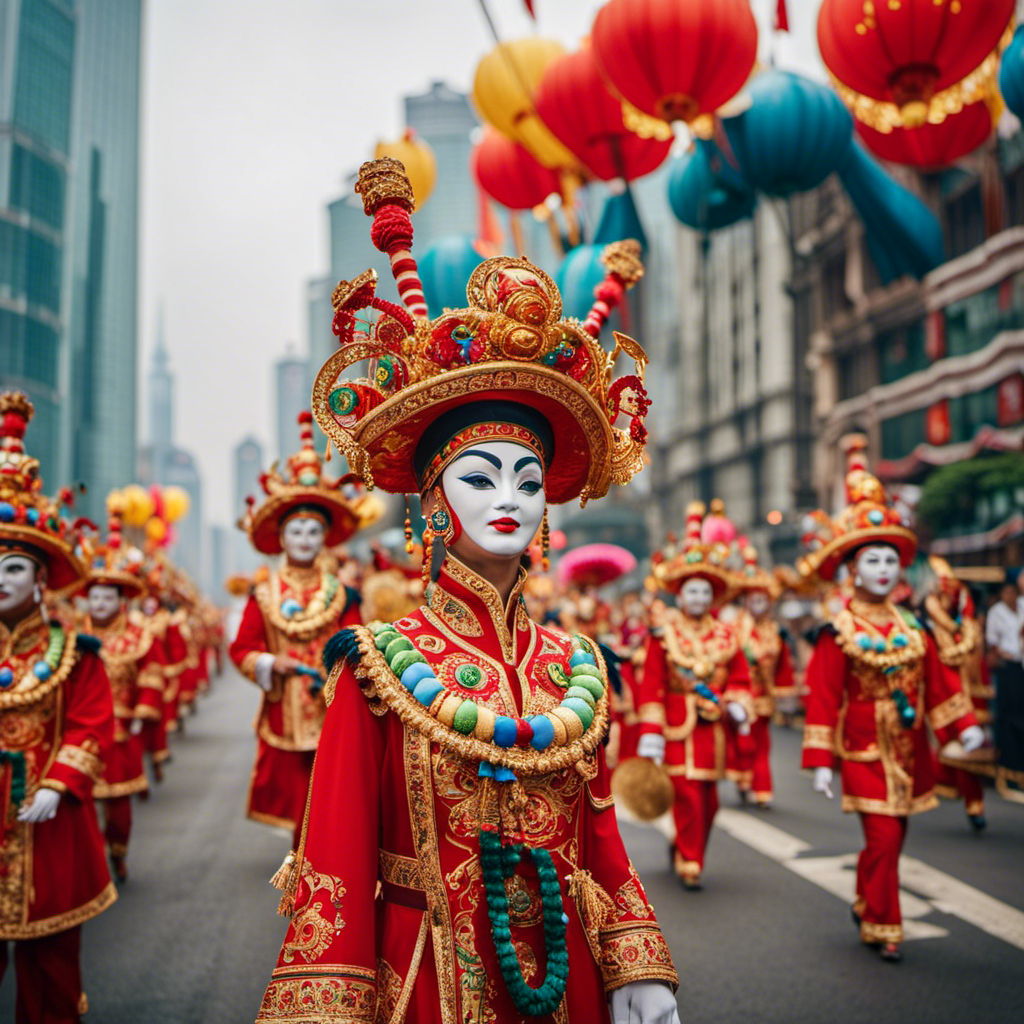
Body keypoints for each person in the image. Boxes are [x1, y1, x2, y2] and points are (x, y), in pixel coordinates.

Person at [255, 158, 678, 1024]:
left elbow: (601, 834)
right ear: (432, 501)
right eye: (480, 478)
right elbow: (334, 854)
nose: (510, 500)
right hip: (431, 983)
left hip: (570, 983)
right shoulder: (378, 666)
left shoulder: (577, 665)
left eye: (528, 480)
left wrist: (637, 961)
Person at [799, 435, 983, 963]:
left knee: (893, 838)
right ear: (853, 569)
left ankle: (866, 894)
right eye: (872, 560)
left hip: (908, 749)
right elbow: (824, 696)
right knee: (882, 837)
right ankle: (884, 924)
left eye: (889, 560)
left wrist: (962, 725)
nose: (883, 569)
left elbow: (941, 681)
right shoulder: (838, 630)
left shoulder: (912, 624)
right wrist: (820, 761)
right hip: (861, 748)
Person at [0, 391, 117, 1022]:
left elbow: (93, 722)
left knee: (49, 972)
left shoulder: (76, 653)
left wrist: (60, 780)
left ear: (41, 581)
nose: (1, 581)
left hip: (47, 824)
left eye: (13, 568)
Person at [230, 411, 365, 847]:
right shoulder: (264, 593)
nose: (305, 539)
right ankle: (302, 862)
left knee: (333, 797)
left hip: (332, 706)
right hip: (284, 708)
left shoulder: (343, 594)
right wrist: (272, 661)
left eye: (313, 531)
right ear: (282, 538)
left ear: (325, 538)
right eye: (296, 531)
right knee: (296, 804)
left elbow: (357, 647)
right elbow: (242, 647)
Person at [635, 502, 752, 889]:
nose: (699, 597)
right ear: (680, 594)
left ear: (713, 595)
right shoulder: (663, 634)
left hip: (712, 728)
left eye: (705, 591)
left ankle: (686, 846)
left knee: (709, 801)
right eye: (692, 590)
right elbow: (650, 683)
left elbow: (740, 677)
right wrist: (650, 732)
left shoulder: (726, 634)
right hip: (674, 727)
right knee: (684, 794)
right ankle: (690, 859)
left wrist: (736, 703)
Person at [78, 515, 165, 881]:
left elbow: (152, 675)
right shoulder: (71, 636)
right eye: (93, 597)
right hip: (79, 731)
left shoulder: (139, 635)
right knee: (77, 803)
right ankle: (88, 863)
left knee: (118, 806)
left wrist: (141, 713)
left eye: (106, 597)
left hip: (120, 731)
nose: (99, 604)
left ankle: (118, 854)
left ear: (120, 600)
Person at [922, 557, 993, 830]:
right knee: (954, 750)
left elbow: (971, 647)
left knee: (969, 752)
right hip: (943, 696)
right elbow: (945, 660)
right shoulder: (931, 629)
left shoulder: (967, 621)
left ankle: (975, 803)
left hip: (971, 694)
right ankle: (969, 801)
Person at [727, 545, 795, 808]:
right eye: (753, 600)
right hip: (740, 695)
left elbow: (783, 666)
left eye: (762, 601)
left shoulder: (774, 631)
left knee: (762, 744)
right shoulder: (735, 630)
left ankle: (762, 787)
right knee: (742, 743)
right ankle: (743, 780)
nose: (758, 605)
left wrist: (784, 691)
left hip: (763, 696)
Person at [987, 578, 1024, 804]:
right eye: (1006, 593)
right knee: (1009, 717)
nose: (1010, 596)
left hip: (1021, 667)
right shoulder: (996, 612)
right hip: (1008, 668)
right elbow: (993, 643)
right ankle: (1009, 768)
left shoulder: (1022, 606)